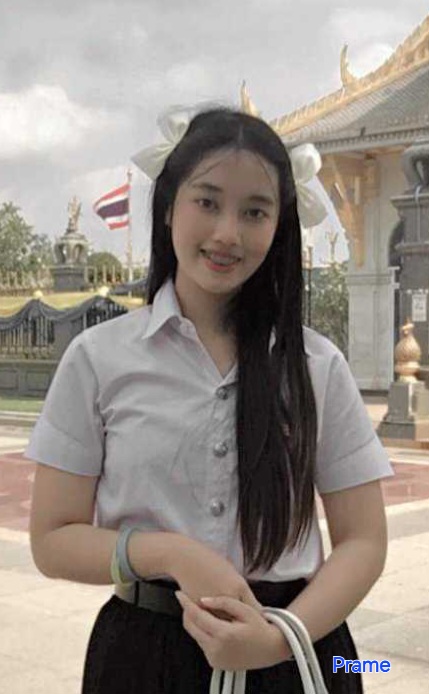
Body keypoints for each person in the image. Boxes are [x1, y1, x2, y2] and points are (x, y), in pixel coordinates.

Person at [26, 105, 394, 694]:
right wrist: (172, 554)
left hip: (301, 648)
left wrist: (274, 643)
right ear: (169, 206)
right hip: (143, 656)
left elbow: (364, 540)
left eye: (255, 212)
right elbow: (52, 540)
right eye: (207, 201)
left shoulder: (317, 365)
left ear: (279, 226)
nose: (228, 233)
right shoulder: (99, 359)